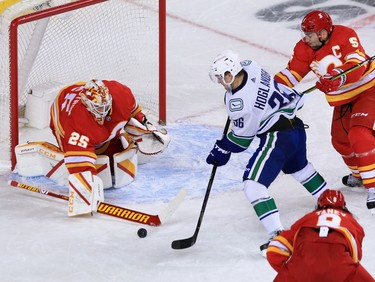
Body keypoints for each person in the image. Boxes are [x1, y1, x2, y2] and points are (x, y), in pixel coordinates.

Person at [207, 50, 328, 251]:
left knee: (253, 185)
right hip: (295, 127)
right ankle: (330, 202)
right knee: (300, 168)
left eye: (222, 76)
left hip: (277, 137)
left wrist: (222, 148)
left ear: (232, 72)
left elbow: (241, 141)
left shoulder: (239, 104)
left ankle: (278, 237)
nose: (221, 81)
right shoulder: (251, 65)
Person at [274, 10, 375, 211]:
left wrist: (338, 77)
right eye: (304, 34)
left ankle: (373, 183)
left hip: (367, 89)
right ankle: (360, 175)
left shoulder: (345, 34)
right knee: (340, 141)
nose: (306, 38)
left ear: (322, 33)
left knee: (359, 134)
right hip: (342, 100)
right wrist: (268, 89)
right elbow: (292, 74)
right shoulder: (304, 48)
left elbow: (356, 65)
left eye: (309, 35)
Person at [48, 79, 169, 216]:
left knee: (110, 148)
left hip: (80, 89)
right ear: (87, 105)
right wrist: (84, 196)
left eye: (106, 106)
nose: (104, 111)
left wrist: (144, 123)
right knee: (77, 151)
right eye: (99, 108)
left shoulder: (121, 94)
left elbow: (134, 111)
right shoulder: (76, 124)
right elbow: (80, 165)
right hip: (61, 108)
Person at [266, 189, 375, 281]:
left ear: (318, 204)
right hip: (340, 267)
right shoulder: (352, 222)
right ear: (344, 206)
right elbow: (355, 255)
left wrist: (291, 269)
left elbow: (275, 248)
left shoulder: (307, 218)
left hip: (301, 267)